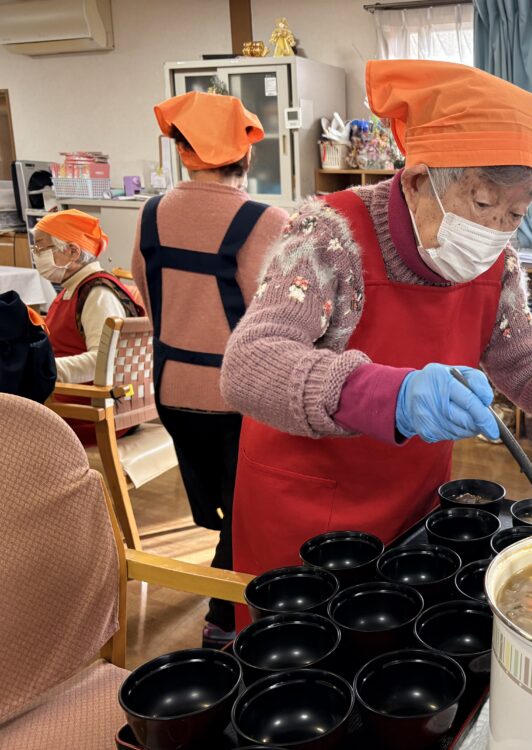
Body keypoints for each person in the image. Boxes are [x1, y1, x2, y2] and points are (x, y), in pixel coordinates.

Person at [221, 60, 532, 626]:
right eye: (483, 203)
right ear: (419, 181)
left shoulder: (499, 258)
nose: (495, 228)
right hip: (309, 507)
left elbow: (518, 355)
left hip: (415, 500)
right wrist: (388, 394)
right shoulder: (329, 233)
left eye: (515, 212)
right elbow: (250, 364)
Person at [131, 91, 288, 647]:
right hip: (241, 399)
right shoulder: (267, 220)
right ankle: (225, 621)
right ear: (246, 158)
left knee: (227, 504)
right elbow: (284, 322)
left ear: (183, 153)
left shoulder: (151, 213)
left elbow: (150, 301)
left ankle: (229, 601)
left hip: (172, 393)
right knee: (249, 509)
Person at [34, 209, 144, 443]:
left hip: (90, 412)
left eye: (41, 248)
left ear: (72, 251)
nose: (36, 255)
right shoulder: (74, 289)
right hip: (76, 403)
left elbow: (102, 361)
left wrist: (43, 368)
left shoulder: (97, 294)